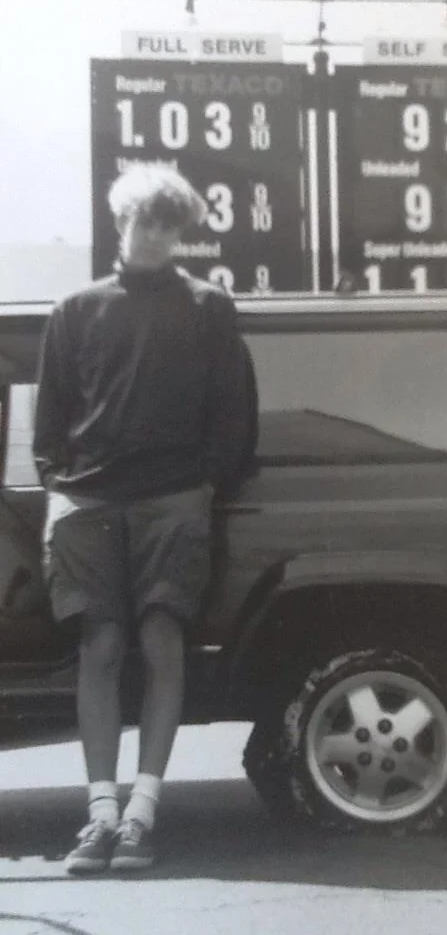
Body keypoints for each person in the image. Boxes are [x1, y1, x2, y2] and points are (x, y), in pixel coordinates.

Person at [33, 162, 258, 874]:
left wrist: (202, 484)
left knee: (163, 641)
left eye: (167, 223)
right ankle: (99, 813)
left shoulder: (208, 306)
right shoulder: (75, 308)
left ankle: (141, 816)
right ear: (120, 220)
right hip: (90, 501)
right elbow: (50, 426)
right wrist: (59, 489)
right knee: (99, 648)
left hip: (173, 500)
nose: (154, 234)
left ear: (180, 231)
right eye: (143, 219)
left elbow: (235, 412)